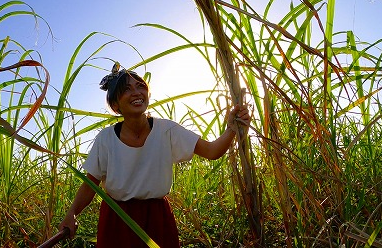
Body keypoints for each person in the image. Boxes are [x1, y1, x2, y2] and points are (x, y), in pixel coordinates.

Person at [58, 63, 250, 247]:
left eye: (140, 86)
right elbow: (91, 183)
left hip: (158, 219)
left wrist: (232, 128)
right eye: (126, 89)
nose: (136, 92)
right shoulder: (105, 139)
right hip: (117, 219)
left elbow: (212, 151)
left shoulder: (167, 130)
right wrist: (72, 213)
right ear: (116, 105)